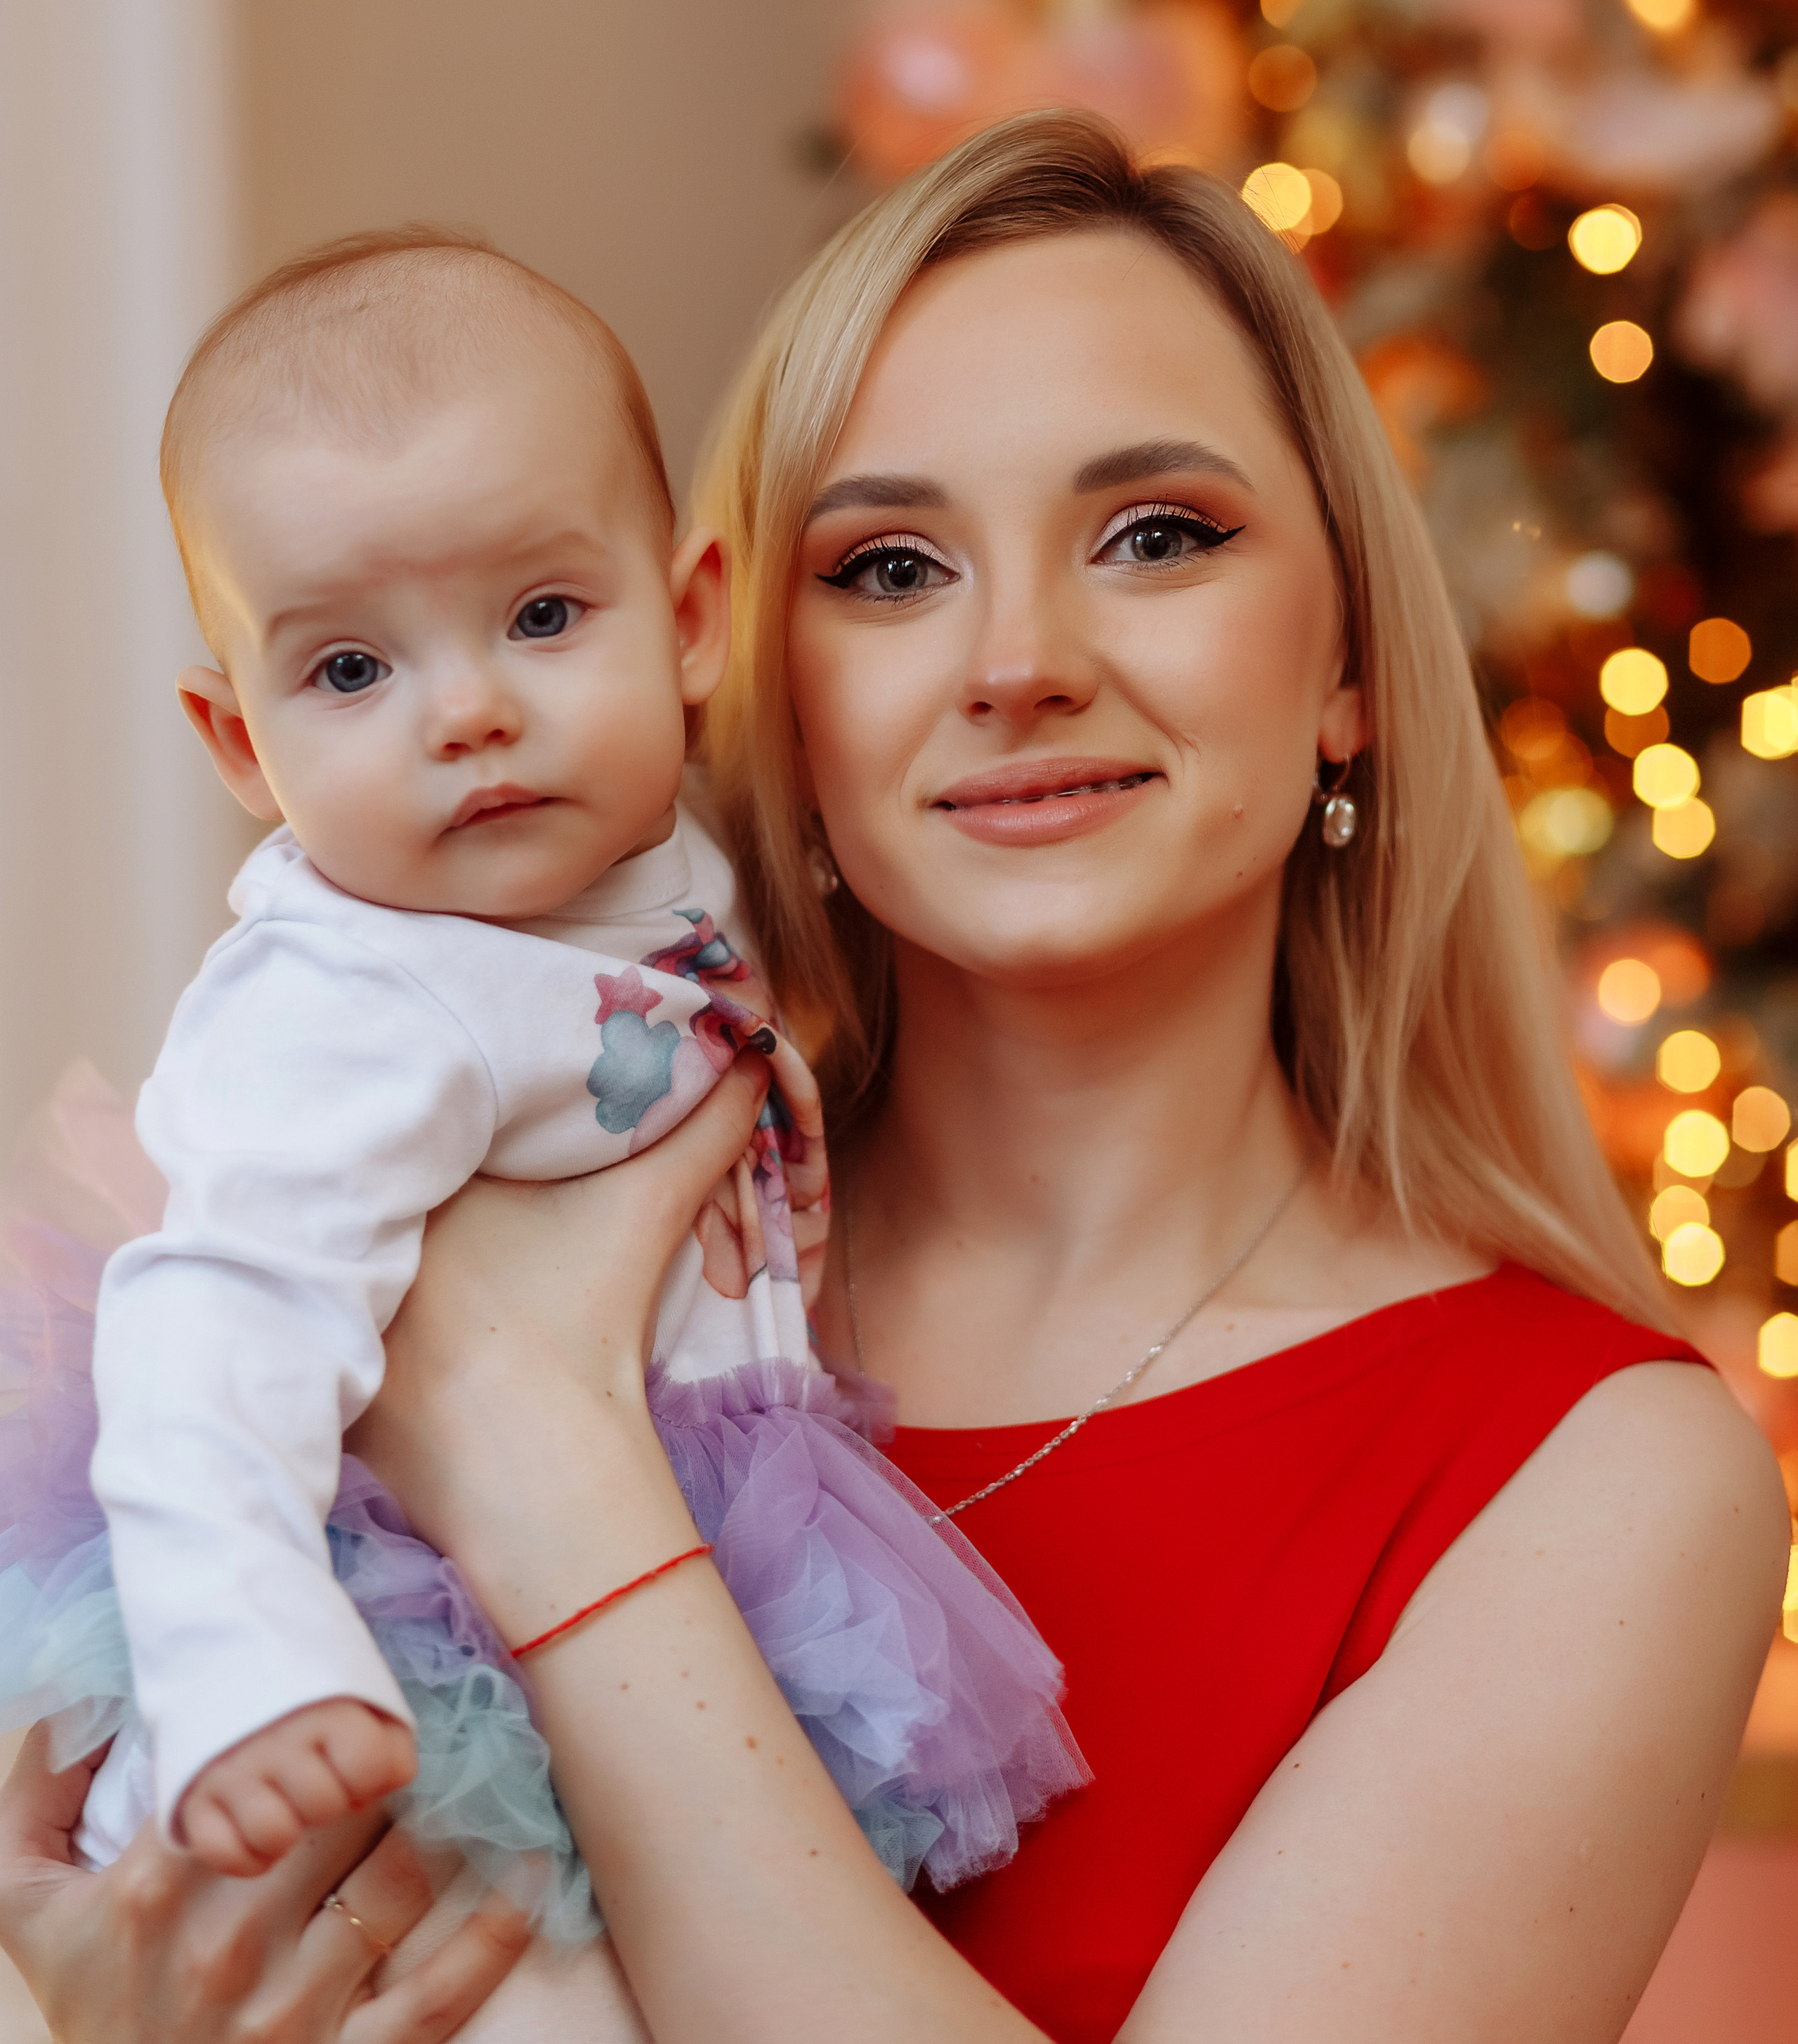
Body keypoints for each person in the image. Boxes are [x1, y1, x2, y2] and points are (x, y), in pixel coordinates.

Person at [0, 114, 1785, 2043]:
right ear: (747, 658)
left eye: (1159, 536)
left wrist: (544, 1453)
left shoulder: (1596, 1475)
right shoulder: (406, 1215)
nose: (1018, 660)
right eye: (893, 564)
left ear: (1345, 656)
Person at [0, 226, 1080, 1995]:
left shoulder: (676, 868)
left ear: (688, 619)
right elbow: (211, 1329)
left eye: (541, 614)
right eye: (349, 672)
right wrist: (250, 1666)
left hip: (634, 1567)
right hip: (380, 1655)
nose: (473, 710)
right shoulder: (346, 1003)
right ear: (234, 738)